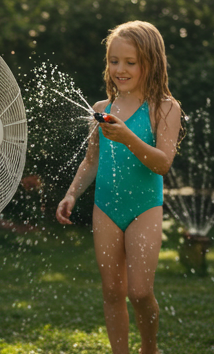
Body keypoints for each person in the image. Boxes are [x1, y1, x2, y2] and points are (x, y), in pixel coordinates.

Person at [56, 22, 183, 354]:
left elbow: (162, 164)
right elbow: (91, 161)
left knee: (140, 292)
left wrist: (127, 137)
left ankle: (149, 349)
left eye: (131, 62)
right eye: (114, 61)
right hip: (106, 208)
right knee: (112, 291)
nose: (120, 70)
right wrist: (72, 193)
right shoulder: (101, 110)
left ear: (151, 62)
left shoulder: (165, 108)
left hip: (144, 208)